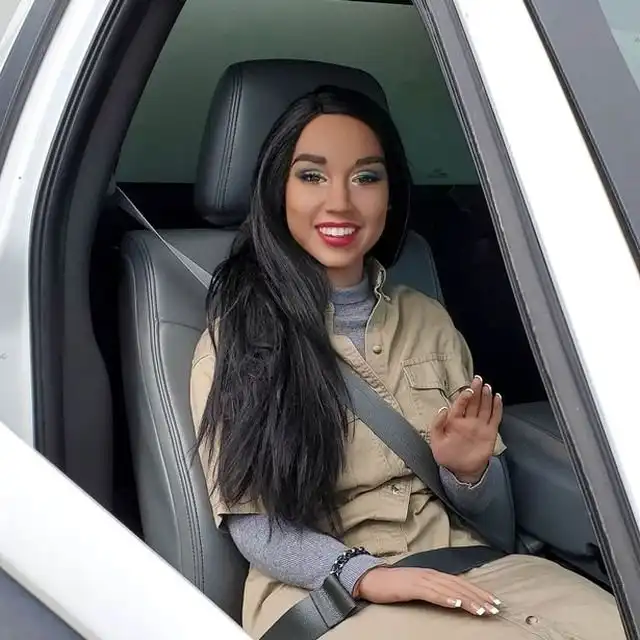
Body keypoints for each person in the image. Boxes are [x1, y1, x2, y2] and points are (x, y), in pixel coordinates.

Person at [190, 85, 624, 639]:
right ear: (278, 190)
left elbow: (492, 519)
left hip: (474, 566)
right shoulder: (237, 338)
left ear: (391, 194)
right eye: (312, 176)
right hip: (330, 596)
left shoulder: (428, 319)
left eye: (366, 177)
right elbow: (256, 526)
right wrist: (365, 575)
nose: (340, 202)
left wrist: (468, 473)